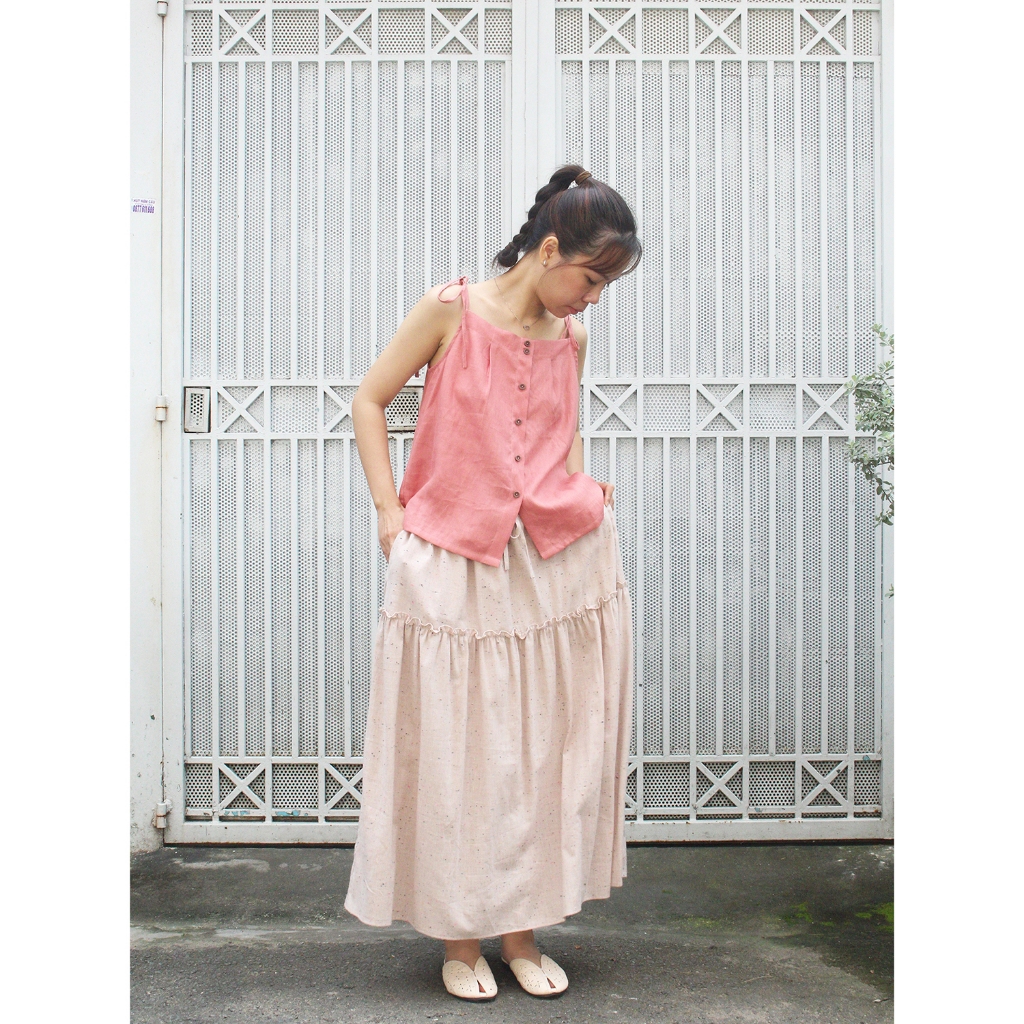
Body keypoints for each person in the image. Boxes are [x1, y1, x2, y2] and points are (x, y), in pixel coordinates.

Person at [343, 164, 642, 1001]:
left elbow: (561, 433)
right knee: (459, 751)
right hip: (453, 561)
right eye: (590, 279)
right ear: (549, 250)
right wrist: (390, 512)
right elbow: (370, 401)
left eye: (604, 287)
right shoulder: (450, 310)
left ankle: (521, 936)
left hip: (552, 564)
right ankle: (459, 939)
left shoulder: (571, 339)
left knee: (542, 752)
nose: (592, 299)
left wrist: (579, 488)